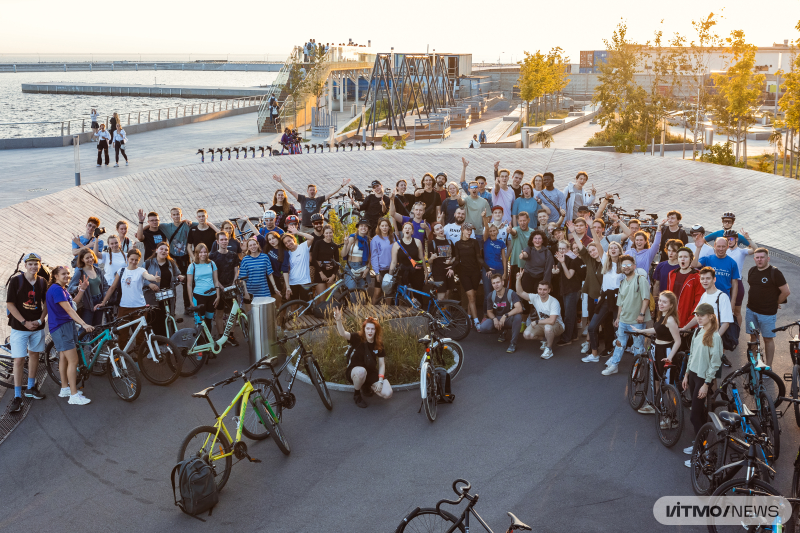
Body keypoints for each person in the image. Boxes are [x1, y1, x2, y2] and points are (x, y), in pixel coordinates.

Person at [5, 253, 48, 412]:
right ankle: (17, 396)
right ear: (25, 265)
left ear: (39, 265)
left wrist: (40, 320)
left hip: (36, 326)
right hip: (19, 327)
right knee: (18, 360)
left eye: (36, 264)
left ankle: (30, 387)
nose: (34, 267)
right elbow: (10, 304)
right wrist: (24, 321)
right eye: (30, 264)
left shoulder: (43, 282)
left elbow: (46, 304)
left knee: (35, 355)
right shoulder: (16, 281)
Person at [46, 266, 95, 405]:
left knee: (64, 358)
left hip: (64, 326)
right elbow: (69, 310)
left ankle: (65, 388)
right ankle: (73, 395)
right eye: (63, 274)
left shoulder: (61, 289)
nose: (67, 276)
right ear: (55, 276)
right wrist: (84, 324)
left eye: (68, 273)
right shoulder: (56, 289)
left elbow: (72, 304)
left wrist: (82, 289)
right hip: (61, 328)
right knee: (73, 361)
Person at [681, 303, 723, 467]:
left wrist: (707, 384)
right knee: (698, 414)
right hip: (692, 375)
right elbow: (691, 354)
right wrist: (685, 375)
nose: (698, 318)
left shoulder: (715, 337)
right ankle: (699, 443)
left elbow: (715, 363)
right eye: (697, 315)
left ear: (711, 316)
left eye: (702, 315)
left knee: (693, 416)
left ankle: (703, 454)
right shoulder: (698, 331)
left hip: (702, 380)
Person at [98, 249, 160, 348]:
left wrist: (154, 278)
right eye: (132, 259)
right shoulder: (121, 271)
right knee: (122, 334)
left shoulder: (141, 270)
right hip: (124, 307)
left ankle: (138, 357)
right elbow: (112, 288)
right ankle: (122, 357)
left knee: (140, 335)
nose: (133, 262)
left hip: (140, 307)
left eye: (136, 260)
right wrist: (103, 302)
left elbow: (148, 276)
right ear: (127, 258)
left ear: (139, 260)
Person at [333, 309, 392, 408]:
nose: (370, 331)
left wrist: (380, 381)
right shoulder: (357, 338)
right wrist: (338, 320)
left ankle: (366, 385)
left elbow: (382, 364)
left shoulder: (378, 343)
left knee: (388, 393)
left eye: (372, 329)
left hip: (370, 371)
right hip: (355, 371)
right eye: (368, 328)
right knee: (361, 372)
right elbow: (343, 334)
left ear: (376, 330)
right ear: (364, 329)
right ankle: (357, 394)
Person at [603, 254, 651, 376]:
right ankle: (614, 365)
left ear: (634, 266)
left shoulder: (641, 280)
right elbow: (620, 302)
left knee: (638, 346)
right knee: (619, 343)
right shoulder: (623, 282)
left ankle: (638, 368)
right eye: (624, 265)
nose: (626, 267)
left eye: (629, 264)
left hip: (636, 320)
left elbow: (646, 298)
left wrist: (641, 314)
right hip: (624, 319)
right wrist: (618, 318)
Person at [746, 248, 791, 367]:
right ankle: (755, 363)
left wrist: (775, 302)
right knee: (753, 337)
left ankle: (768, 367)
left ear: (768, 258)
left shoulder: (775, 272)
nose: (759, 260)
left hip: (767, 313)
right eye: (757, 257)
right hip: (751, 310)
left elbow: (786, 292)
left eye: (762, 257)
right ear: (754, 258)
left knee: (767, 339)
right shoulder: (751, 270)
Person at [681, 267, 734, 367]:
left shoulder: (722, 297)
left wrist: (714, 339)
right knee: (700, 371)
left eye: (708, 278)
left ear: (714, 279)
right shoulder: (704, 295)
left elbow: (726, 323)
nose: (705, 281)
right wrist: (684, 328)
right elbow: (697, 317)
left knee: (711, 375)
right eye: (702, 278)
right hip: (701, 338)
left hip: (712, 340)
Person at [271, 174, 350, 233]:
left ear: (316, 191)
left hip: (315, 227)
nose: (312, 191)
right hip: (304, 227)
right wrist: (281, 181)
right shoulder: (302, 199)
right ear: (307, 191)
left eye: (313, 190)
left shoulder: (319, 200)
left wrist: (341, 185)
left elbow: (330, 193)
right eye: (310, 190)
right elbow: (291, 191)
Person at [639, 291, 683, 391]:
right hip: (656, 349)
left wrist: (670, 357)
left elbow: (678, 341)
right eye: (659, 301)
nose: (660, 304)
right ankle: (658, 404)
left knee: (668, 384)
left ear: (671, 305)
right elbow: (657, 329)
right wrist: (641, 331)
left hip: (666, 351)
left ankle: (672, 406)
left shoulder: (670, 320)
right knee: (656, 379)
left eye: (664, 302)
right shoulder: (661, 315)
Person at [518, 275, 564, 359]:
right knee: (527, 334)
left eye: (545, 289)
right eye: (540, 289)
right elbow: (520, 293)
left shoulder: (554, 302)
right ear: (537, 290)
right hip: (543, 324)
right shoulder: (535, 297)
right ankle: (545, 339)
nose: (542, 292)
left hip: (558, 325)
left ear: (549, 290)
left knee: (548, 327)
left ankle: (549, 349)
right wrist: (518, 279)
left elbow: (552, 321)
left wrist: (536, 322)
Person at [143, 242, 183, 337]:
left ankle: (166, 343)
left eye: (166, 250)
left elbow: (177, 275)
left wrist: (179, 277)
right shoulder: (148, 263)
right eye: (161, 249)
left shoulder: (172, 264)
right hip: (152, 298)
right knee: (153, 319)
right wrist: (149, 284)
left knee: (167, 319)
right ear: (156, 250)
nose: (163, 251)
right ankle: (153, 344)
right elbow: (140, 278)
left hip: (167, 298)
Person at [209, 233, 241, 344]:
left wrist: (234, 282)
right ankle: (221, 337)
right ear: (217, 242)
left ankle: (231, 335)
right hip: (219, 288)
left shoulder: (233, 255)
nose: (224, 241)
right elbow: (213, 275)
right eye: (221, 240)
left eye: (226, 239)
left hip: (231, 287)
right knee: (219, 313)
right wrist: (220, 286)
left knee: (233, 313)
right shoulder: (212, 256)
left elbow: (236, 270)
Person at [479, 273, 523, 353]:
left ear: (502, 282)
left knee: (518, 317)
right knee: (483, 327)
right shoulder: (491, 295)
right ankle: (502, 331)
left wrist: (505, 315)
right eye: (494, 283)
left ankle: (513, 343)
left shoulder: (511, 293)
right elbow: (489, 312)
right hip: (498, 318)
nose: (496, 285)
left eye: (498, 282)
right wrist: (494, 319)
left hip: (509, 318)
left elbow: (519, 308)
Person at [452, 222, 486, 327]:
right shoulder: (457, 244)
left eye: (471, 230)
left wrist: (487, 267)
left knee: (473, 297)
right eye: (468, 230)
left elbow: (478, 257)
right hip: (464, 273)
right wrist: (452, 268)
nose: (469, 232)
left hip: (475, 272)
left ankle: (469, 317)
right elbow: (457, 259)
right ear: (462, 230)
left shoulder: (474, 242)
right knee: (471, 297)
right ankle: (476, 322)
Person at [692, 237, 740, 306]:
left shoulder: (732, 263)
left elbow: (735, 284)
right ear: (714, 246)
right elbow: (694, 264)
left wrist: (733, 302)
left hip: (724, 299)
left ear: (727, 247)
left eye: (723, 246)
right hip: (707, 297)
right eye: (718, 246)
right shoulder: (707, 259)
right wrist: (698, 248)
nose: (721, 249)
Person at [186, 243, 221, 336]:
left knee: (209, 320)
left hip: (212, 296)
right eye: (200, 252)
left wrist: (218, 296)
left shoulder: (212, 264)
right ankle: (199, 345)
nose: (203, 254)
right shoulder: (192, 266)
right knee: (199, 323)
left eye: (205, 252)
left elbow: (216, 281)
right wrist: (190, 300)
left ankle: (208, 343)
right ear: (197, 254)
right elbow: (189, 284)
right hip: (199, 297)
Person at [67, 248, 109, 326]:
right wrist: (78, 288)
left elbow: (105, 285)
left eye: (91, 257)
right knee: (86, 328)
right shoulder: (79, 272)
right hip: (87, 304)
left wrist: (104, 300)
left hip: (99, 301)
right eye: (87, 258)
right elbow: (70, 288)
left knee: (97, 327)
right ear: (82, 259)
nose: (90, 259)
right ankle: (83, 338)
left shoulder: (98, 270)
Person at [554, 241, 584, 346]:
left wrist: (562, 263)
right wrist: (555, 271)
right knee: (571, 313)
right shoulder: (561, 257)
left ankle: (567, 339)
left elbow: (569, 275)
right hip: (566, 288)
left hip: (573, 289)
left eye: (564, 248)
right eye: (560, 248)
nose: (562, 250)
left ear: (568, 248)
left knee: (568, 315)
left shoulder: (572, 259)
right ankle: (574, 335)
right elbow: (558, 270)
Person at [724, 228, 757, 324]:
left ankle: (736, 335)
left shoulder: (741, 251)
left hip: (737, 283)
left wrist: (748, 238)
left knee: (736, 312)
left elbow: (756, 250)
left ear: (736, 239)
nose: (728, 241)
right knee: (723, 310)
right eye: (726, 239)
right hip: (724, 282)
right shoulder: (722, 251)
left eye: (730, 239)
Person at [667, 247, 705, 328]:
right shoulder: (671, 274)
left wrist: (689, 324)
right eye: (680, 257)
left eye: (685, 257)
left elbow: (698, 302)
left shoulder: (697, 276)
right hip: (671, 320)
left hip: (687, 321)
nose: (682, 259)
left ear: (691, 259)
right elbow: (667, 297)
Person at [390, 221, 426, 293]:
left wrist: (426, 271)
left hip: (416, 272)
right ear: (402, 231)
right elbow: (393, 262)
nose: (407, 230)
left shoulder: (417, 242)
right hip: (402, 273)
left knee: (418, 294)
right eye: (405, 228)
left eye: (409, 228)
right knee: (402, 295)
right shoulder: (396, 244)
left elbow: (421, 258)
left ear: (412, 232)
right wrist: (390, 275)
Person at [518, 230, 554, 303]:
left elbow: (548, 269)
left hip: (540, 277)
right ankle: (526, 311)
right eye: (535, 238)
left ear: (543, 240)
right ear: (532, 240)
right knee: (526, 294)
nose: (537, 240)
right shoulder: (529, 249)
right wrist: (523, 255)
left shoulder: (547, 252)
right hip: (528, 275)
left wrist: (546, 283)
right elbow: (526, 254)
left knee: (539, 296)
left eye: (539, 238)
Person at [427, 222, 457, 301]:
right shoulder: (432, 243)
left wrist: (451, 261)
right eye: (437, 229)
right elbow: (429, 261)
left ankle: (444, 313)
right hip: (438, 272)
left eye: (441, 227)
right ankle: (438, 313)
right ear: (434, 232)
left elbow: (455, 256)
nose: (440, 230)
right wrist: (432, 258)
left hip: (448, 272)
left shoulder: (449, 242)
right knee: (441, 297)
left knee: (447, 296)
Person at [282, 228, 315, 299]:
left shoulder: (303, 247)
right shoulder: (287, 254)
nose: (288, 244)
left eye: (289, 241)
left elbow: (311, 238)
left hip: (305, 281)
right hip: (293, 282)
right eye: (285, 243)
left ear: (293, 239)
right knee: (294, 305)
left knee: (305, 304)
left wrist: (298, 232)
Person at [482, 216, 507, 303]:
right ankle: (486, 314)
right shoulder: (486, 240)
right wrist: (484, 217)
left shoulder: (501, 243)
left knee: (500, 293)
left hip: (499, 269)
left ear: (497, 231)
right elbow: (486, 227)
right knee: (488, 293)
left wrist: (505, 273)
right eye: (490, 231)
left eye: (494, 230)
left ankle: (499, 312)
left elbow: (504, 258)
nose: (492, 232)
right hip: (487, 270)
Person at [343, 219, 371, 297]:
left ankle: (361, 309)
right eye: (361, 226)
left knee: (363, 295)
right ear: (358, 228)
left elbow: (369, 256)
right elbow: (343, 254)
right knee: (352, 293)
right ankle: (352, 309)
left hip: (363, 268)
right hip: (351, 268)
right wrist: (345, 244)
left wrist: (367, 268)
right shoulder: (352, 238)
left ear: (368, 228)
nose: (363, 228)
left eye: (365, 226)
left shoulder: (368, 241)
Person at [261, 232, 290, 307]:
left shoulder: (284, 252)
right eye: (269, 239)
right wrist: (247, 220)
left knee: (277, 305)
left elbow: (285, 270)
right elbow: (257, 235)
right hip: (263, 278)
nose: (272, 241)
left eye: (273, 238)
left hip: (275, 278)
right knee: (265, 305)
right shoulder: (267, 247)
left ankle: (279, 319)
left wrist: (287, 286)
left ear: (278, 238)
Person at [370, 219, 394, 303]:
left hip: (391, 269)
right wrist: (377, 272)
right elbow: (374, 257)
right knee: (377, 293)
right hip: (381, 270)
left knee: (389, 294)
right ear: (379, 227)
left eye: (386, 226)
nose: (384, 228)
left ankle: (387, 312)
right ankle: (371, 312)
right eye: (382, 226)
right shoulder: (375, 240)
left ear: (389, 227)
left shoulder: (393, 238)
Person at [507, 211, 534, 288]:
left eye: (524, 220)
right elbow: (513, 232)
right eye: (520, 221)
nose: (522, 223)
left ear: (528, 220)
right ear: (518, 221)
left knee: (527, 288)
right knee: (514, 289)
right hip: (516, 264)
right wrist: (510, 230)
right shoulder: (516, 229)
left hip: (529, 265)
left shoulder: (533, 232)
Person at [312, 224, 340, 296]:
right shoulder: (318, 243)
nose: (328, 235)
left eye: (330, 232)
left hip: (331, 274)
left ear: (333, 233)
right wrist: (321, 273)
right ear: (323, 233)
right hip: (320, 273)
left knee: (329, 299)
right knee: (321, 298)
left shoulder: (334, 246)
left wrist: (333, 276)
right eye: (326, 233)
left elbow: (337, 263)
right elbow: (313, 259)